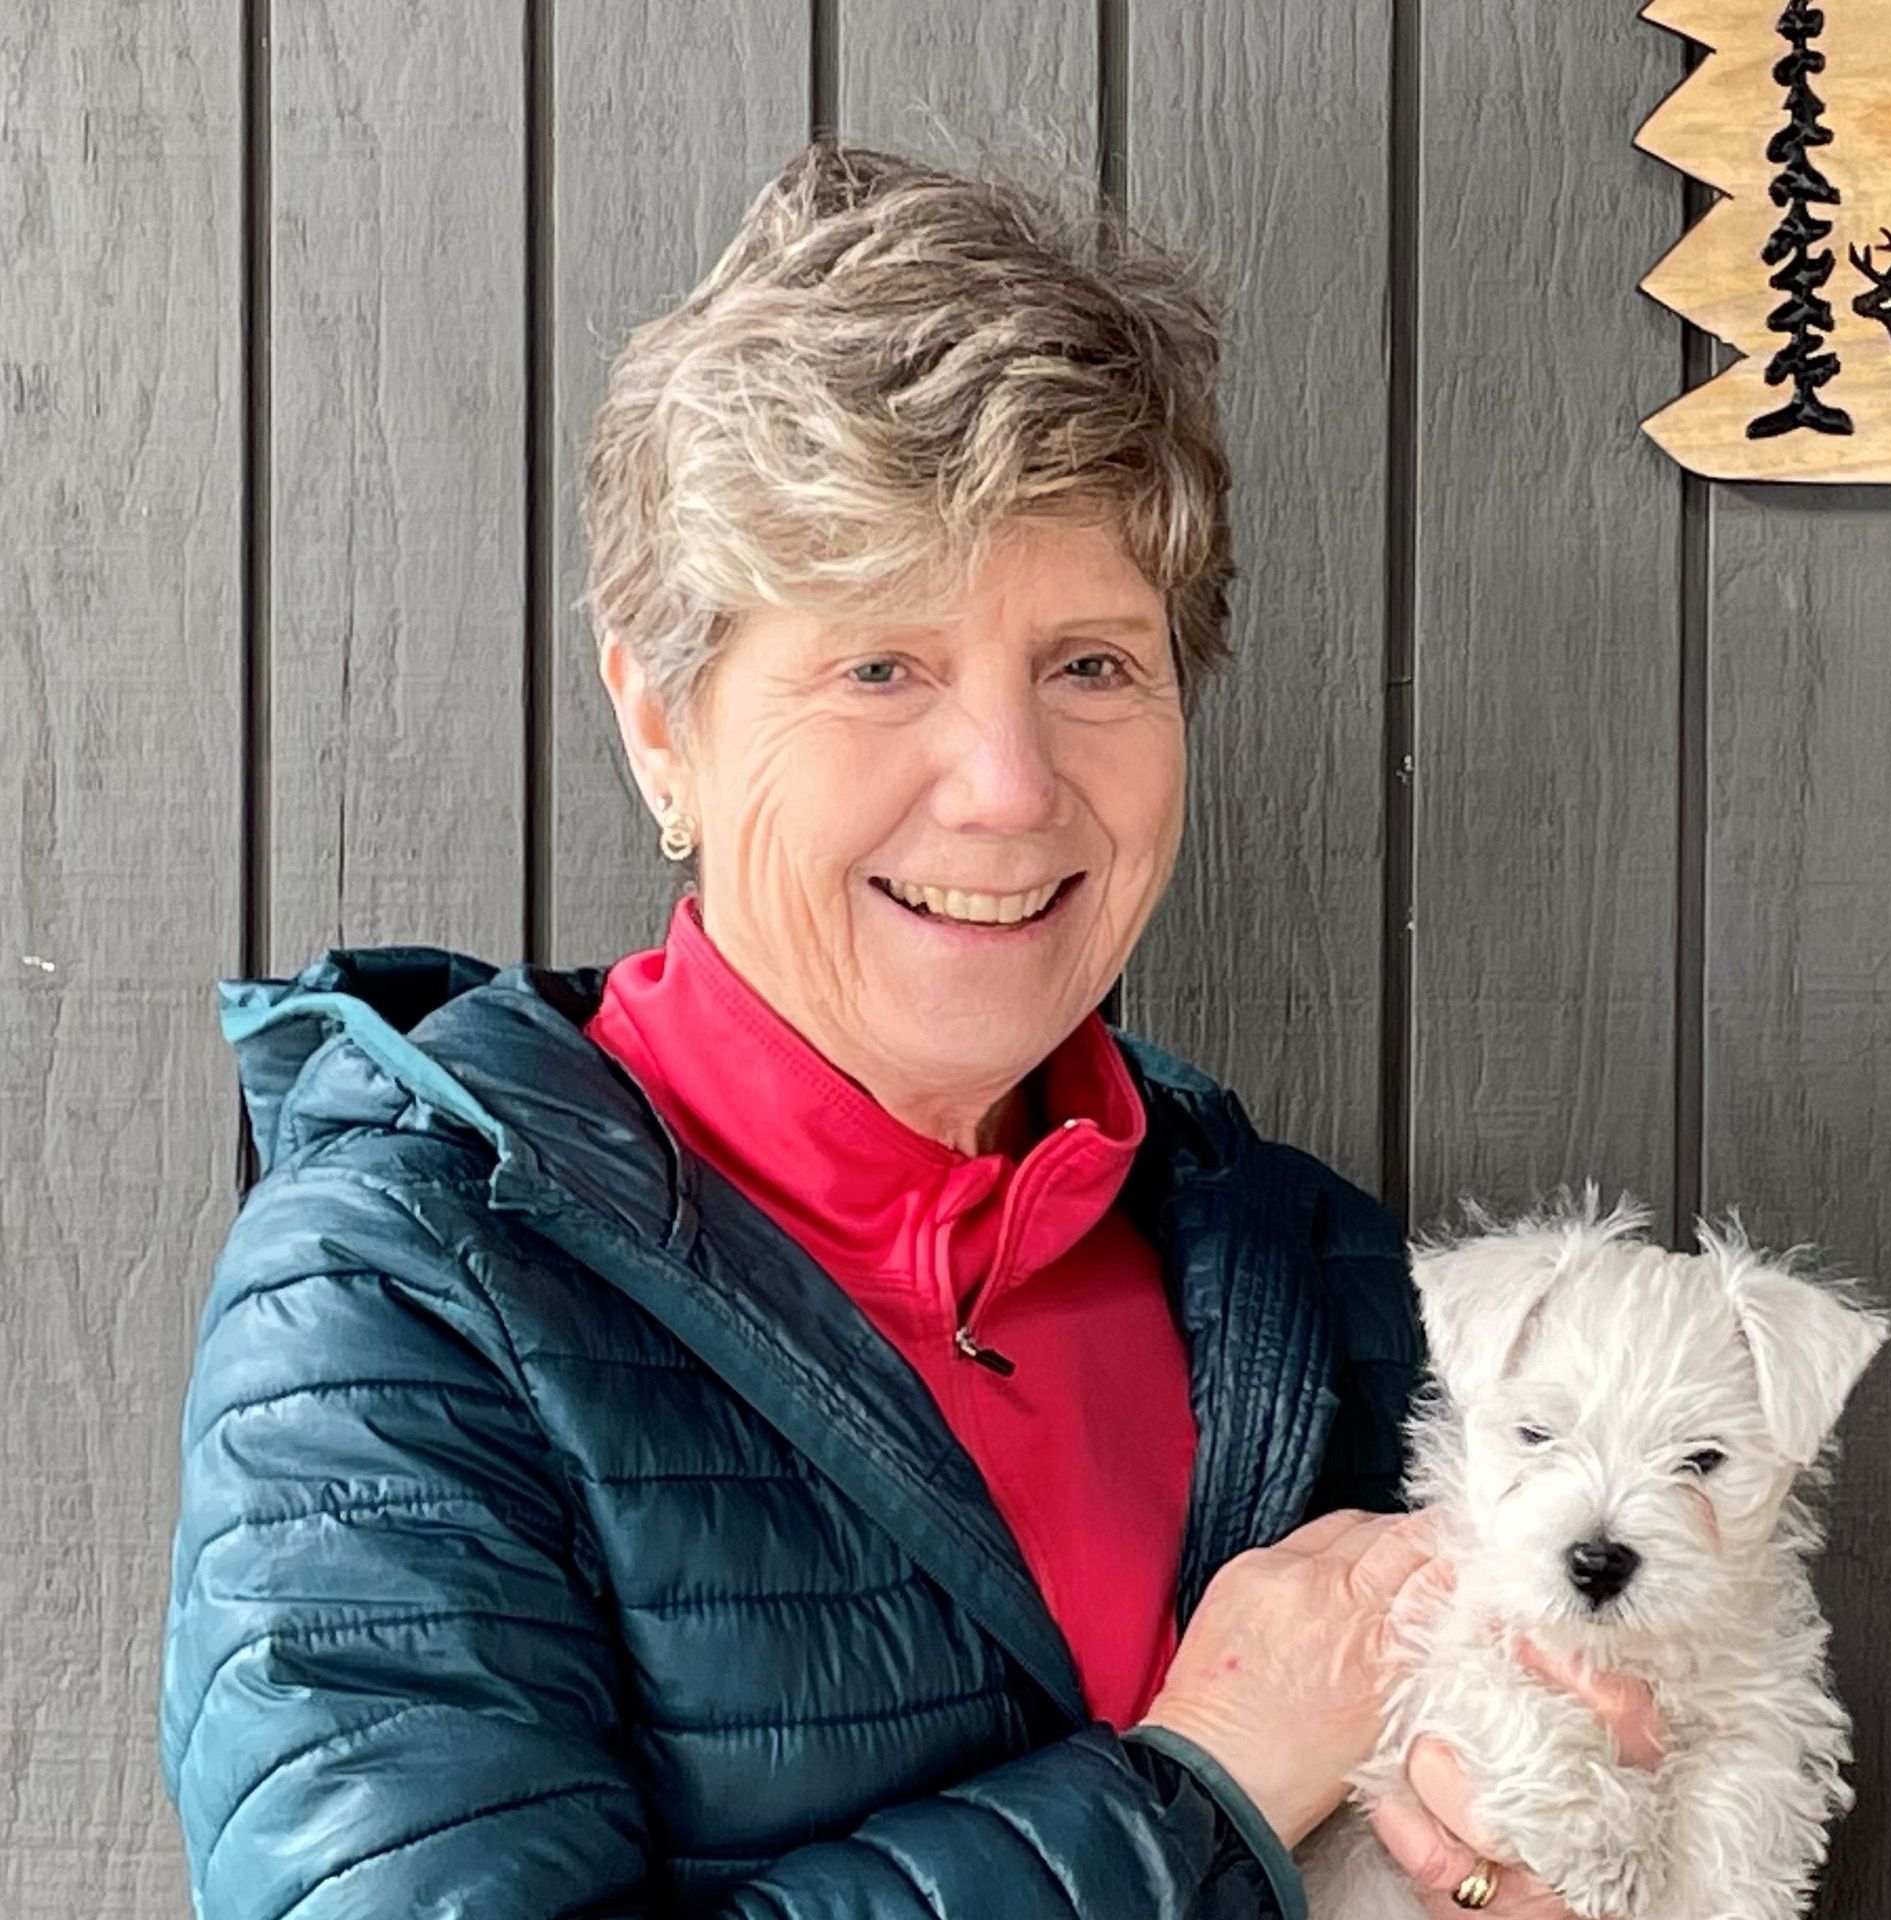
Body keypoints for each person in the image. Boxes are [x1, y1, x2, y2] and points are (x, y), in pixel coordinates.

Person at [158, 140, 1656, 1920]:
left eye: (1092, 664)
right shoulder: (397, 1297)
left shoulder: (1305, 1275)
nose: (1012, 790)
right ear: (661, 725)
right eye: (882, 666)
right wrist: (1208, 1783)